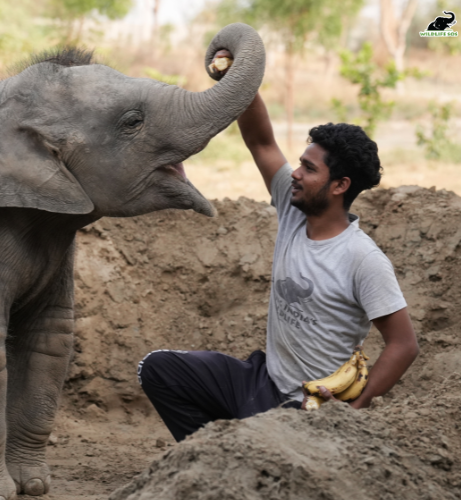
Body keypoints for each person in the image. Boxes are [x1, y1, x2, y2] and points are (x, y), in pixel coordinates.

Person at [136, 51, 420, 443]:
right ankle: (212, 462)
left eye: (309, 169)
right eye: (300, 163)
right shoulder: (292, 206)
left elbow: (404, 345)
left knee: (270, 441)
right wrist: (237, 75)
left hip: (304, 408)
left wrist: (353, 412)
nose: (296, 174)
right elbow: (260, 141)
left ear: (340, 186)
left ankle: (248, 458)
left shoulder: (362, 258)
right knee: (157, 369)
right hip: (263, 379)